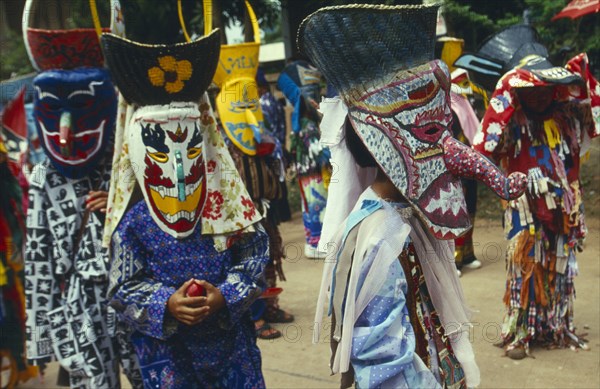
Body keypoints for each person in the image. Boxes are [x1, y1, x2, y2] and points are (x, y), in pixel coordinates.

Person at [299, 4, 528, 388]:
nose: (447, 147)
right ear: (386, 140)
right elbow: (383, 362)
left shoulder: (404, 214)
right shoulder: (378, 238)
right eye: (429, 132)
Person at [101, 24, 269, 387]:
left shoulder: (229, 210)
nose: (178, 168)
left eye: (190, 150)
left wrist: (226, 294)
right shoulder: (133, 224)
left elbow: (255, 261)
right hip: (167, 358)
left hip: (231, 351)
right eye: (160, 152)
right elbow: (120, 288)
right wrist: (166, 303)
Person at [22, 1, 141, 387]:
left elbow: (169, 223)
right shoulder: (44, 177)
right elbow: (38, 256)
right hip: (79, 302)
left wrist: (125, 202)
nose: (66, 132)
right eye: (55, 111)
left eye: (83, 106)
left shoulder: (129, 162)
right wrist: (40, 337)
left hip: (136, 292)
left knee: (150, 378)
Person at [472, 30, 600, 359]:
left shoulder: (568, 115)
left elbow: (591, 113)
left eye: (545, 89)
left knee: (559, 268)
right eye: (531, 90)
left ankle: (555, 325)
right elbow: (485, 148)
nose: (540, 96)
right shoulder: (510, 121)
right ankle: (522, 331)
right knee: (525, 266)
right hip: (524, 207)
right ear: (518, 92)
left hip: (564, 205)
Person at [207, 1, 294, 341]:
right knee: (249, 259)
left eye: (252, 102)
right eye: (242, 104)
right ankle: (254, 315)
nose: (249, 110)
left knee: (271, 254)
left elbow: (270, 154)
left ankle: (269, 306)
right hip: (240, 212)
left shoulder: (259, 129)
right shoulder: (219, 136)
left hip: (264, 204)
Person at [277, 60, 331, 259]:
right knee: (317, 205)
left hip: (311, 171)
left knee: (313, 205)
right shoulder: (309, 120)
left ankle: (316, 241)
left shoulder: (304, 120)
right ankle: (318, 242)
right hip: (316, 172)